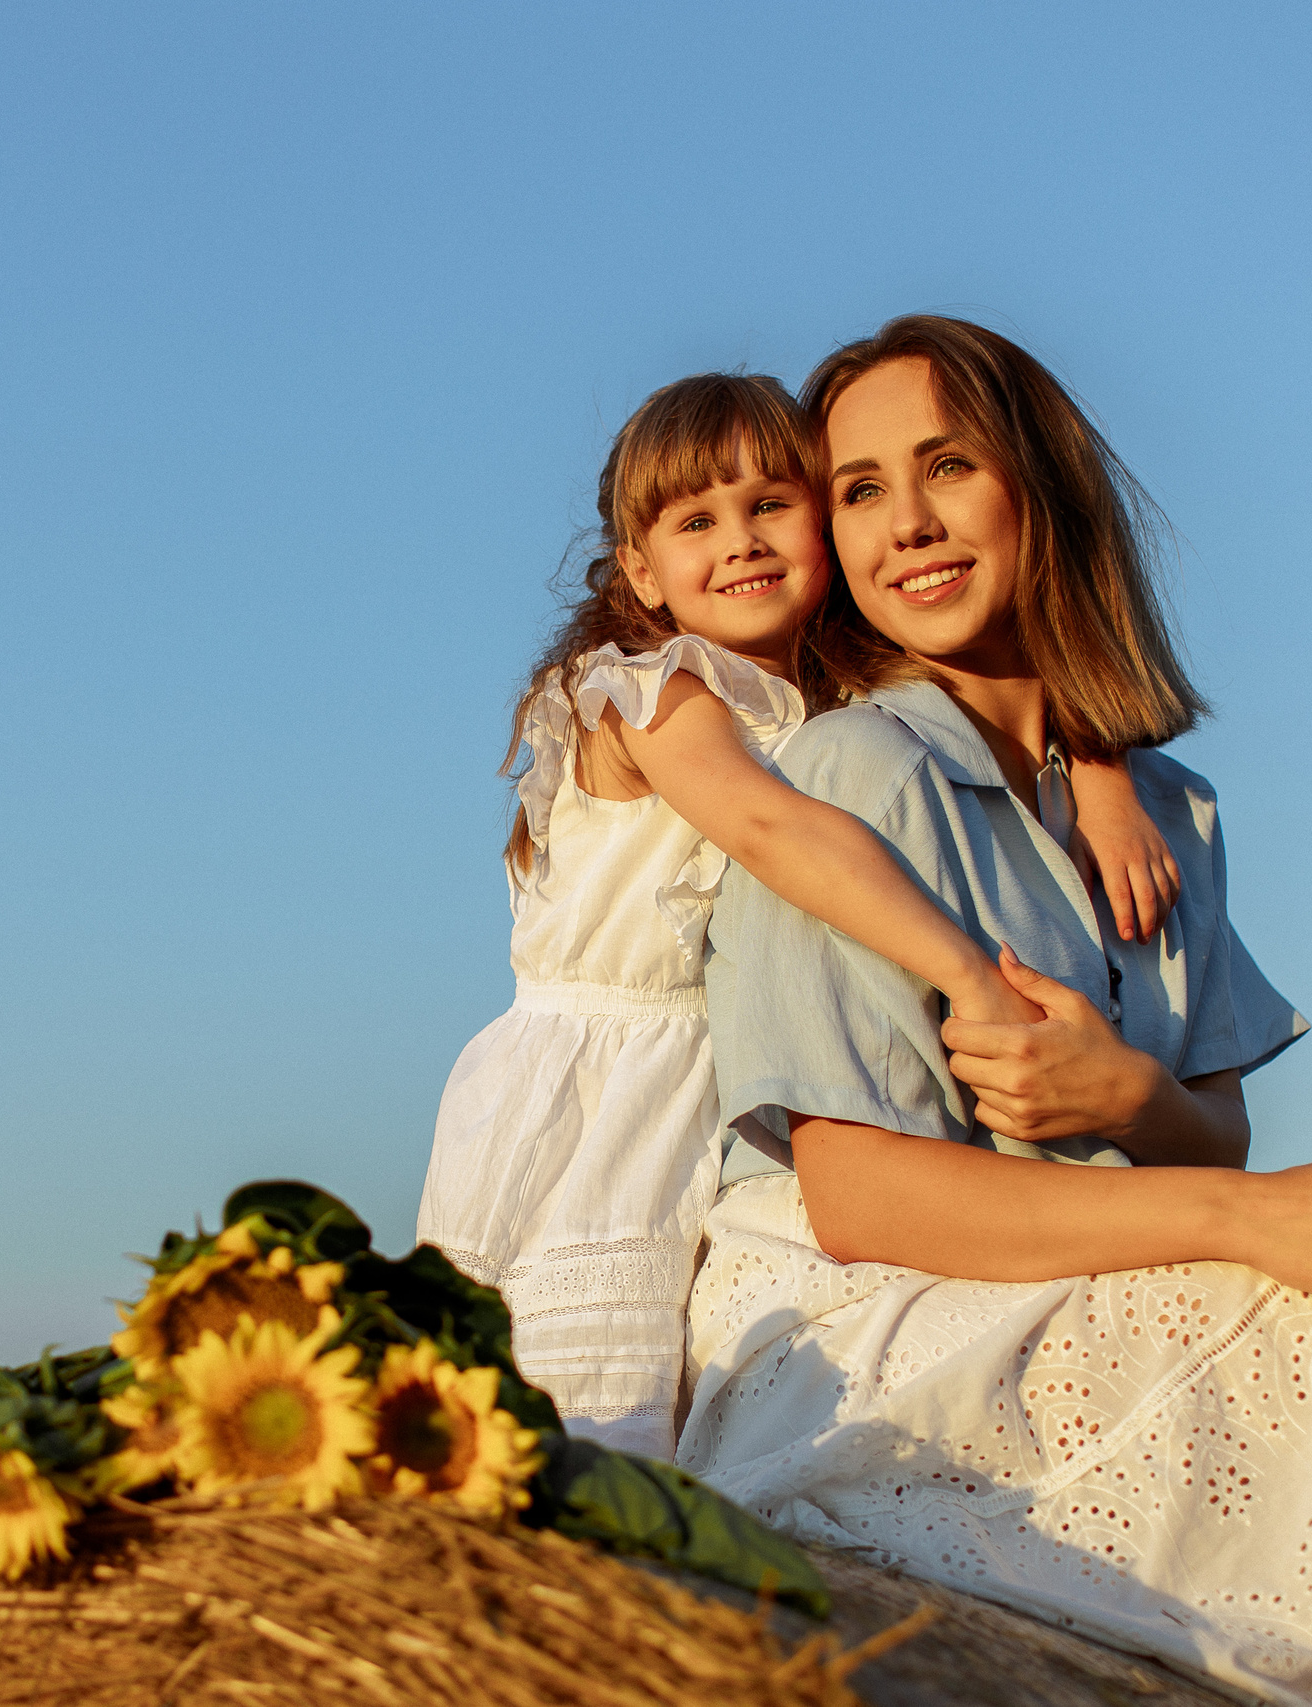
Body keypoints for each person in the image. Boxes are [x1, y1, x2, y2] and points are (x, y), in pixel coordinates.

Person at [679, 315, 1312, 1706]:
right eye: (859, 489)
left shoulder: (1164, 806)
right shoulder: (856, 770)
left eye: (950, 466)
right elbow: (855, 1194)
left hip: (1080, 1290)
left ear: (1046, 484)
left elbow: (1207, 1128)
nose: (905, 523)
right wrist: (1257, 1214)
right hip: (870, 1346)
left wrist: (1126, 1099)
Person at [415, 372, 1174, 1456]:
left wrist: (1099, 767)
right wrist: (968, 975)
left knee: (697, 1420)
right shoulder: (646, 692)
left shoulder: (831, 706)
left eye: (771, 503)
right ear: (641, 570)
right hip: (599, 1091)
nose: (741, 539)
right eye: (695, 520)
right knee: (571, 1423)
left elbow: (1012, 670)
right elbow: (776, 831)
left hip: (720, 1091)